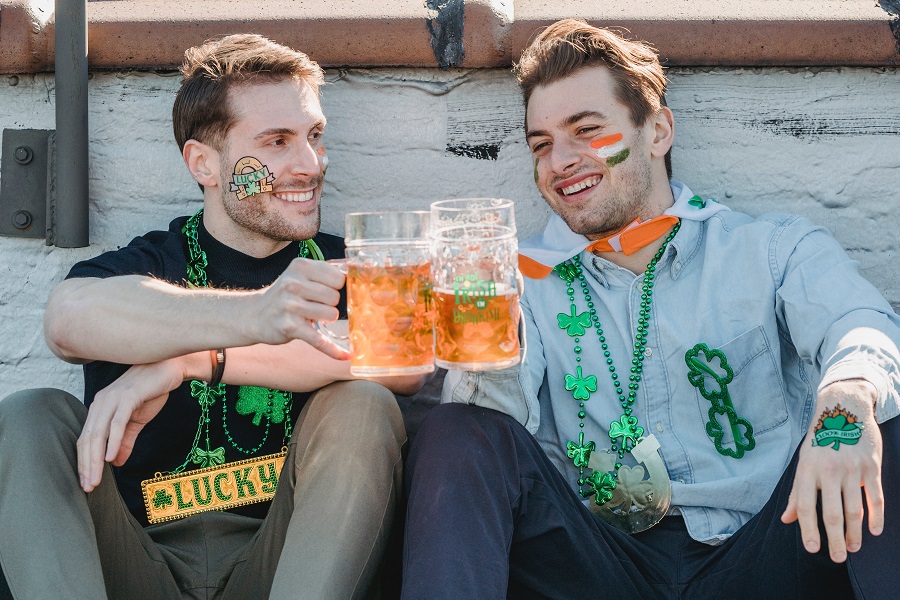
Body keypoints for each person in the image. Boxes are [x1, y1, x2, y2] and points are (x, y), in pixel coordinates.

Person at [401, 19, 900, 600]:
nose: (560, 161)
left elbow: (860, 326)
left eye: (586, 131)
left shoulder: (768, 249)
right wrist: (482, 340)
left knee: (875, 420)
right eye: (541, 145)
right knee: (457, 430)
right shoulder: (520, 278)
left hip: (764, 554)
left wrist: (846, 399)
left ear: (657, 130)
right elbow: (495, 427)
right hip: (599, 563)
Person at [0, 34, 422, 600]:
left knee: (363, 402)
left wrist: (194, 359)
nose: (308, 165)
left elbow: (406, 359)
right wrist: (257, 314)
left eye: (314, 137)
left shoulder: (346, 266)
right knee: (32, 414)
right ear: (204, 163)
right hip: (133, 563)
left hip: (286, 564)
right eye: (276, 142)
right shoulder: (153, 262)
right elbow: (68, 319)